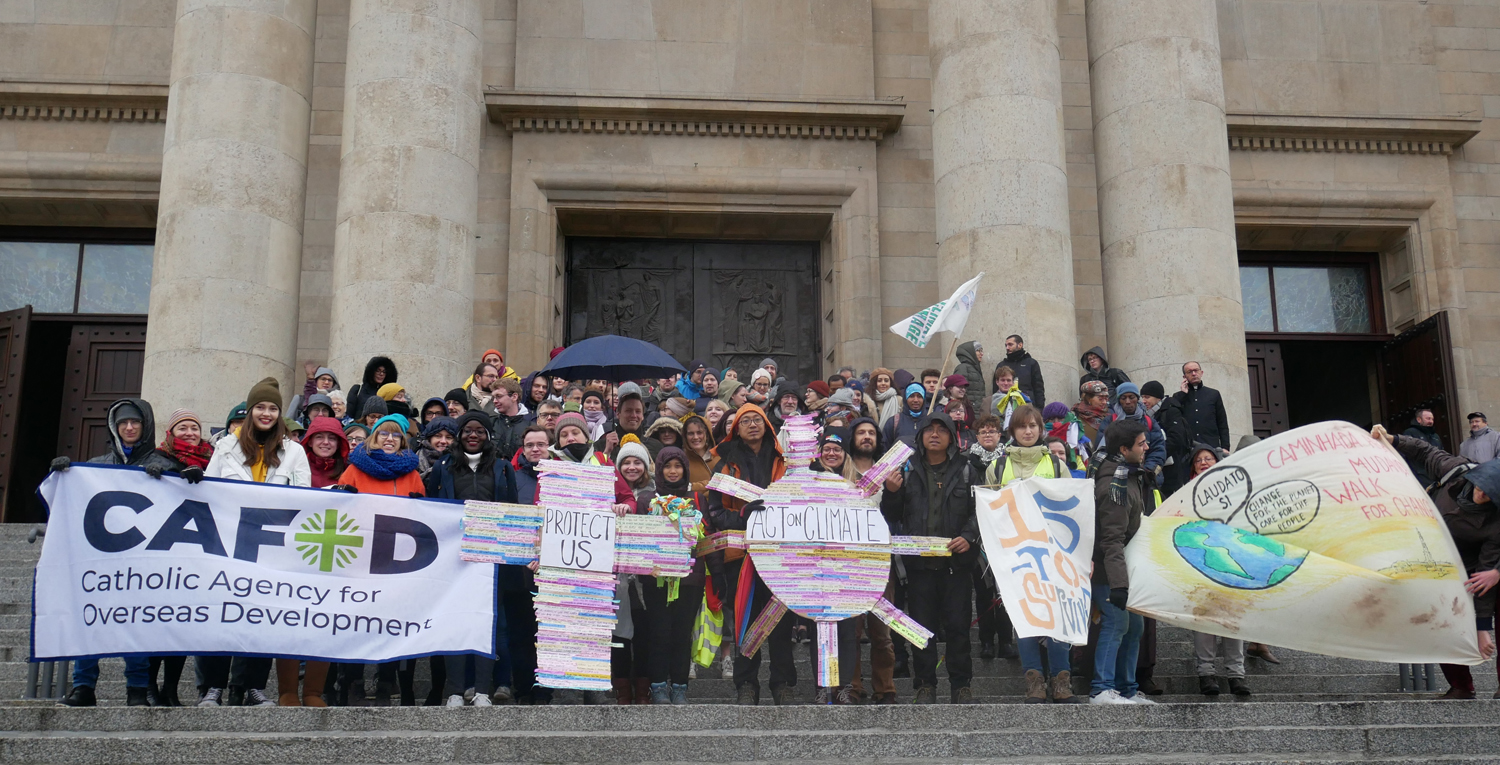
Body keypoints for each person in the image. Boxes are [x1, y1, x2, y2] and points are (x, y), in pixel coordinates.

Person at [50, 397, 179, 708]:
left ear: (145, 426)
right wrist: (61, 477)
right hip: (100, 561)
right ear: (114, 427)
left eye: (135, 422)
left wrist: (178, 477)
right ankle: (83, 688)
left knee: (135, 624)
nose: (130, 427)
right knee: (90, 620)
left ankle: (136, 689)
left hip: (142, 563)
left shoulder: (164, 463)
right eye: (123, 423)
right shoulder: (95, 466)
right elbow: (68, 506)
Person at [199, 378, 312, 708]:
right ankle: (214, 687)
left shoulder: (294, 452)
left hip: (271, 547)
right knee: (221, 614)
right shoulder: (225, 448)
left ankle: (252, 686)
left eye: (273, 408)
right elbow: (207, 493)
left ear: (280, 414)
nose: (266, 413)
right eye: (260, 407)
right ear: (250, 411)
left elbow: (305, 498)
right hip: (228, 543)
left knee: (261, 615)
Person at [1375, 424, 1500, 699]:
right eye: (1483, 487)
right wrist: (1392, 438)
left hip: (1478, 566)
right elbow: (1424, 450)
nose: (1483, 495)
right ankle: (1460, 686)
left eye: (1492, 496)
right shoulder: (1456, 469)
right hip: (1440, 561)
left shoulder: (1494, 524)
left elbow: (1484, 577)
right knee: (1441, 617)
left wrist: (1482, 629)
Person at [879, 413, 979, 704]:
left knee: (959, 628)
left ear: (952, 437)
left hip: (956, 566)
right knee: (920, 629)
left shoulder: (967, 470)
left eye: (942, 430)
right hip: (919, 567)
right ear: (920, 436)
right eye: (929, 430)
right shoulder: (907, 470)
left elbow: (980, 510)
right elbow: (892, 515)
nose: (935, 435)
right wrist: (892, 492)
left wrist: (969, 536)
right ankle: (924, 684)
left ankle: (962, 685)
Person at [425, 411, 522, 707]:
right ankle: (455, 690)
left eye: (480, 430)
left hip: (493, 562)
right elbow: (432, 510)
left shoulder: (504, 469)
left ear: (488, 436)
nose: (473, 435)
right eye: (467, 430)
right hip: (455, 561)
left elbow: (514, 512)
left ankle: (481, 690)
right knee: (454, 622)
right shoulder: (443, 468)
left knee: (488, 624)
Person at [982, 405, 1077, 704]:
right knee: (1025, 618)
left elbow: (1071, 509)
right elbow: (989, 513)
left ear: (1040, 429)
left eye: (1033, 426)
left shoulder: (1058, 465)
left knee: (1058, 615)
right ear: (1012, 431)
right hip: (1016, 555)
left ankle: (1061, 680)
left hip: (1054, 554)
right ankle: (1034, 680)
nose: (1028, 431)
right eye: (1022, 426)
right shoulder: (997, 467)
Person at [705, 404, 791, 705]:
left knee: (781, 623)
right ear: (735, 429)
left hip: (781, 555)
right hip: (741, 557)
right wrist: (744, 516)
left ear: (767, 425)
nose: (752, 425)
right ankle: (746, 685)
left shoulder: (786, 462)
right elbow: (714, 512)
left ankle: (782, 684)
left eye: (758, 420)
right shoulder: (725, 466)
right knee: (745, 621)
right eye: (745, 421)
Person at [1089, 418, 1154, 705]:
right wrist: (1118, 585)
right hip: (1109, 571)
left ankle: (1127, 688)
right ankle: (1101, 688)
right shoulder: (1114, 486)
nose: (1147, 447)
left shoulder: (1128, 475)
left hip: (1127, 568)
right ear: (1124, 448)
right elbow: (1111, 540)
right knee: (1116, 624)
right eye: (1141, 444)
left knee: (1135, 627)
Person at [1180, 443, 1252, 697]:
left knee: (1233, 620)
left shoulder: (1235, 492)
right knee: (1204, 620)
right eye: (1199, 460)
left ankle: (1236, 674)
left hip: (1233, 564)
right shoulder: (1185, 494)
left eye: (1209, 458)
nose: (1204, 463)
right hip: (1201, 562)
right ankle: (1206, 673)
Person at [506, 423, 552, 705]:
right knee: (520, 632)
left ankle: (545, 689)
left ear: (550, 447)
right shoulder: (511, 476)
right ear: (523, 449)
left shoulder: (564, 477)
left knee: (546, 632)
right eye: (531, 445)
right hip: (518, 569)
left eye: (541, 445)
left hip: (553, 571)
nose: (536, 450)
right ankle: (523, 688)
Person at [1098, 382, 1166, 478]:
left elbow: (1158, 450)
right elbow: (1103, 450)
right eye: (1123, 398)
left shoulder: (1149, 422)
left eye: (1131, 397)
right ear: (1118, 400)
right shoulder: (1109, 422)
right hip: (1117, 475)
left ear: (1138, 399)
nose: (1128, 401)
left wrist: (1147, 472)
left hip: (1147, 478)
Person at [1142, 381, 1191, 495]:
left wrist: (1157, 454)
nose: (1144, 401)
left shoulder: (1171, 411)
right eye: (1142, 397)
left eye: (1147, 397)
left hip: (1171, 470)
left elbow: (1176, 439)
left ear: (1158, 398)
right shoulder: (1146, 415)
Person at [1170, 361, 1230, 451]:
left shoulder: (1214, 394)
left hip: (1211, 445)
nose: (1194, 374)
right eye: (1189, 372)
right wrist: (1183, 395)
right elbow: (1173, 419)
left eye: (1196, 370)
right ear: (1184, 377)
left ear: (1201, 373)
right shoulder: (1178, 396)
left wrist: (1225, 447)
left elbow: (1222, 422)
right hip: (1187, 448)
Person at [597, 382, 662, 461]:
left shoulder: (655, 447)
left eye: (638, 411)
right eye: (628, 411)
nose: (634, 415)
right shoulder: (601, 445)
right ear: (618, 414)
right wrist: (607, 452)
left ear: (642, 416)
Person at [302, 416, 350, 488]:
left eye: (332, 438)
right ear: (310, 442)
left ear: (338, 444)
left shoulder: (348, 470)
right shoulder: (298, 467)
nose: (326, 442)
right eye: (319, 437)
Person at [1402, 408, 1446, 485]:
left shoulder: (1435, 436)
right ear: (1419, 419)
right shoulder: (1410, 433)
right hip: (1419, 478)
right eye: (1428, 418)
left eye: (1432, 419)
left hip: (1436, 478)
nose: (1431, 421)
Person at [1001, 334, 1046, 407]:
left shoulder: (1031, 363)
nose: (1007, 348)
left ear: (1020, 345)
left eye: (1010, 344)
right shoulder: (1002, 365)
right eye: (1006, 345)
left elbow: (1038, 389)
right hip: (1006, 407)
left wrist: (1039, 410)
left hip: (1027, 407)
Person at [491, 378, 530, 461]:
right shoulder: (490, 423)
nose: (494, 401)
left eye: (499, 396)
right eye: (493, 397)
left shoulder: (530, 426)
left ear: (514, 397)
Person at [883, 383, 928, 448]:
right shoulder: (894, 422)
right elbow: (885, 449)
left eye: (919, 396)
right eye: (911, 396)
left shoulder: (930, 422)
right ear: (905, 399)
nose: (916, 400)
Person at [1073, 381, 1111, 448]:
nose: (1105, 402)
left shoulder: (1110, 416)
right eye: (1100, 398)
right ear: (1089, 399)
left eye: (1106, 398)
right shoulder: (1075, 416)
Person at [952, 341, 986, 414]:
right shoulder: (963, 368)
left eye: (981, 350)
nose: (981, 354)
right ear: (970, 352)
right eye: (978, 350)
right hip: (969, 412)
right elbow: (959, 392)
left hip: (977, 412)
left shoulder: (975, 369)